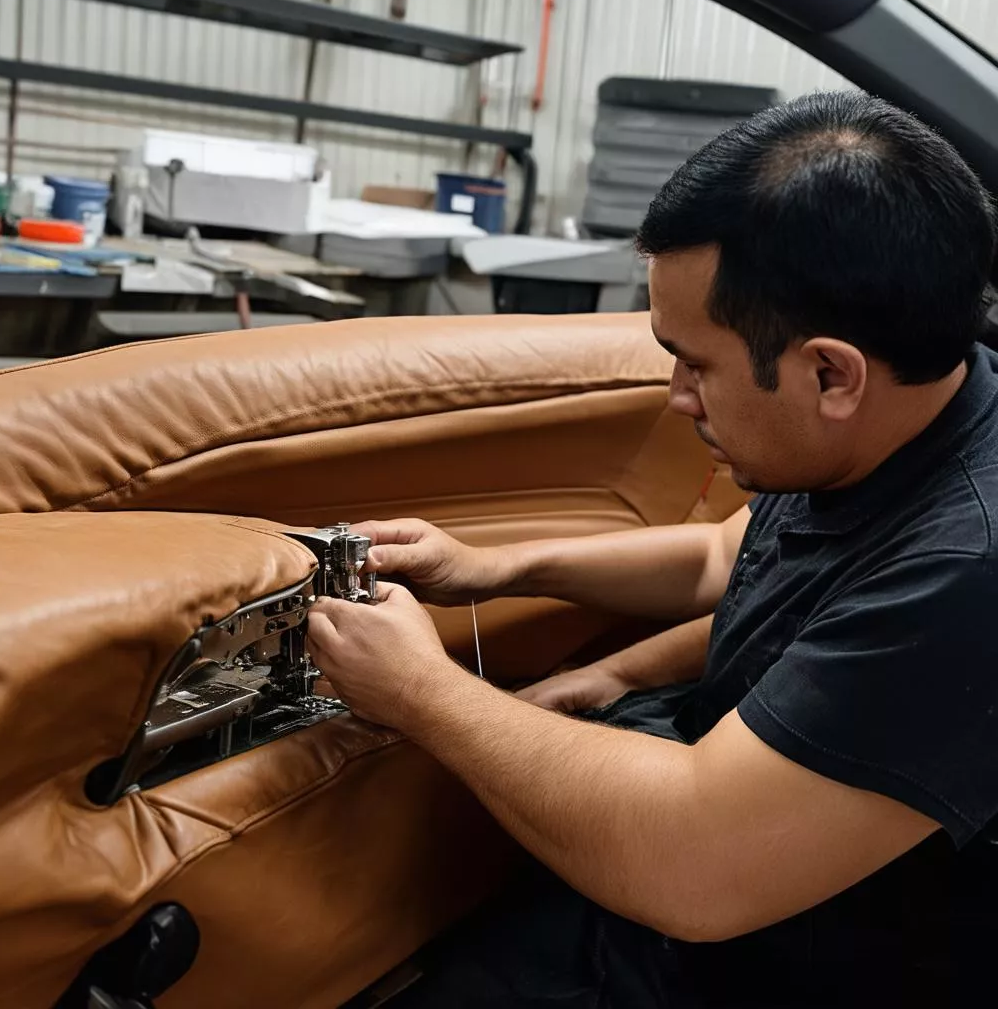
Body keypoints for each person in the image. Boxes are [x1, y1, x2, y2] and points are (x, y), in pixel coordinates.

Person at [307, 91, 998, 1007]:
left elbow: (694, 866)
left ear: (832, 373)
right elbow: (728, 558)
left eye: (696, 362)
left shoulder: (966, 571)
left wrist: (426, 694)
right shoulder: (913, 417)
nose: (677, 394)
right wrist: (501, 571)